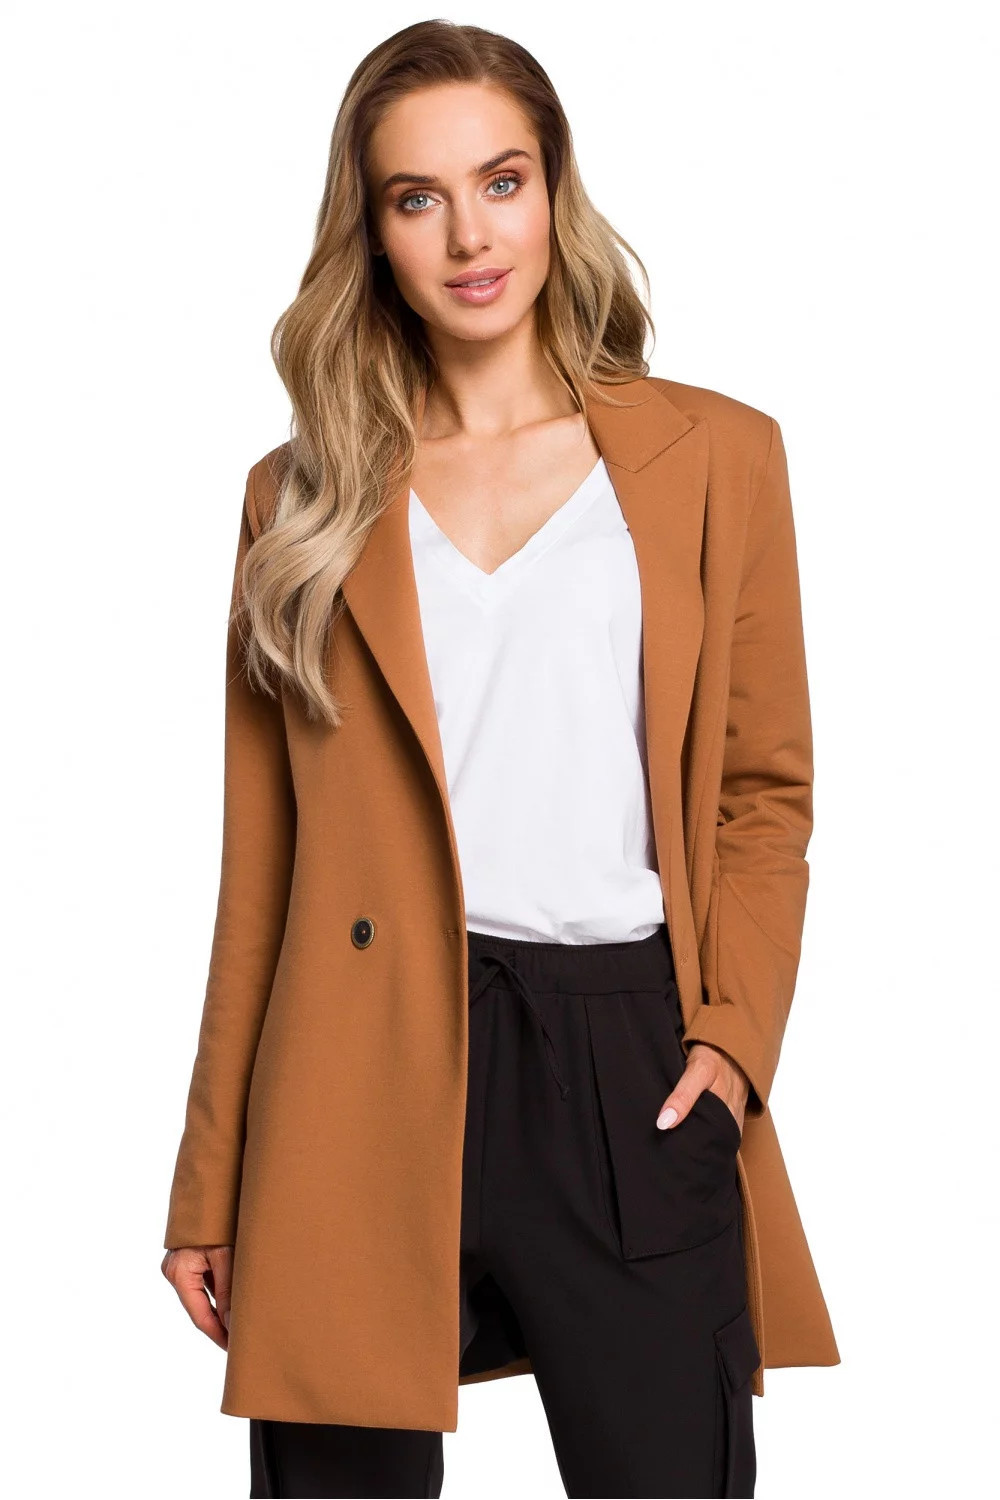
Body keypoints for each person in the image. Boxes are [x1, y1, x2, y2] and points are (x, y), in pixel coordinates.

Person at [161, 19, 840, 1499]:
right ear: (371, 230)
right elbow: (260, 869)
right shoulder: (300, 498)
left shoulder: (716, 456)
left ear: (555, 190)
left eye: (503, 181)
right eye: (418, 198)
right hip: (359, 1058)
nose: (471, 237)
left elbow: (761, 795)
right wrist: (210, 1176)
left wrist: (732, 1042)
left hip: (628, 1056)